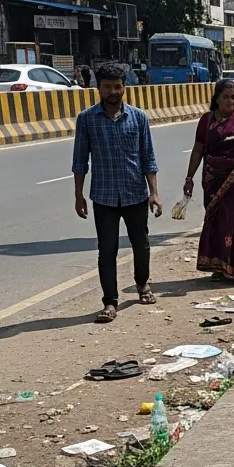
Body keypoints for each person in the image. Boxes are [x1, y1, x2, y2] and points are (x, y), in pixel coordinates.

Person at [72, 62, 162, 323]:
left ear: (124, 88)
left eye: (117, 87)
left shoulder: (138, 117)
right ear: (98, 88)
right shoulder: (87, 119)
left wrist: (154, 192)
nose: (113, 92)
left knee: (141, 245)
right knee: (107, 249)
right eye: (108, 87)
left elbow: (148, 157)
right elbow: (80, 160)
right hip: (104, 196)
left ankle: (142, 284)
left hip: (135, 193)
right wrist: (78, 195)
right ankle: (110, 301)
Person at [183, 79, 234, 282]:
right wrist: (189, 177)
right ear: (217, 98)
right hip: (214, 179)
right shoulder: (206, 120)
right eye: (226, 97)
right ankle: (219, 266)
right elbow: (198, 149)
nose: (230, 101)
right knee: (218, 222)